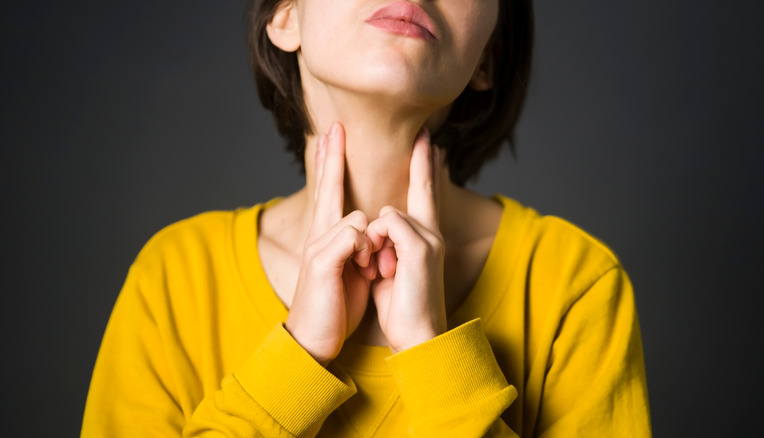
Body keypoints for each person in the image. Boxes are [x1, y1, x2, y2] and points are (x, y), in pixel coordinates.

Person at [81, 0, 651, 436]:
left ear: (488, 60)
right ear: (285, 15)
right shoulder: (175, 280)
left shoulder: (574, 283)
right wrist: (297, 354)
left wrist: (436, 357)